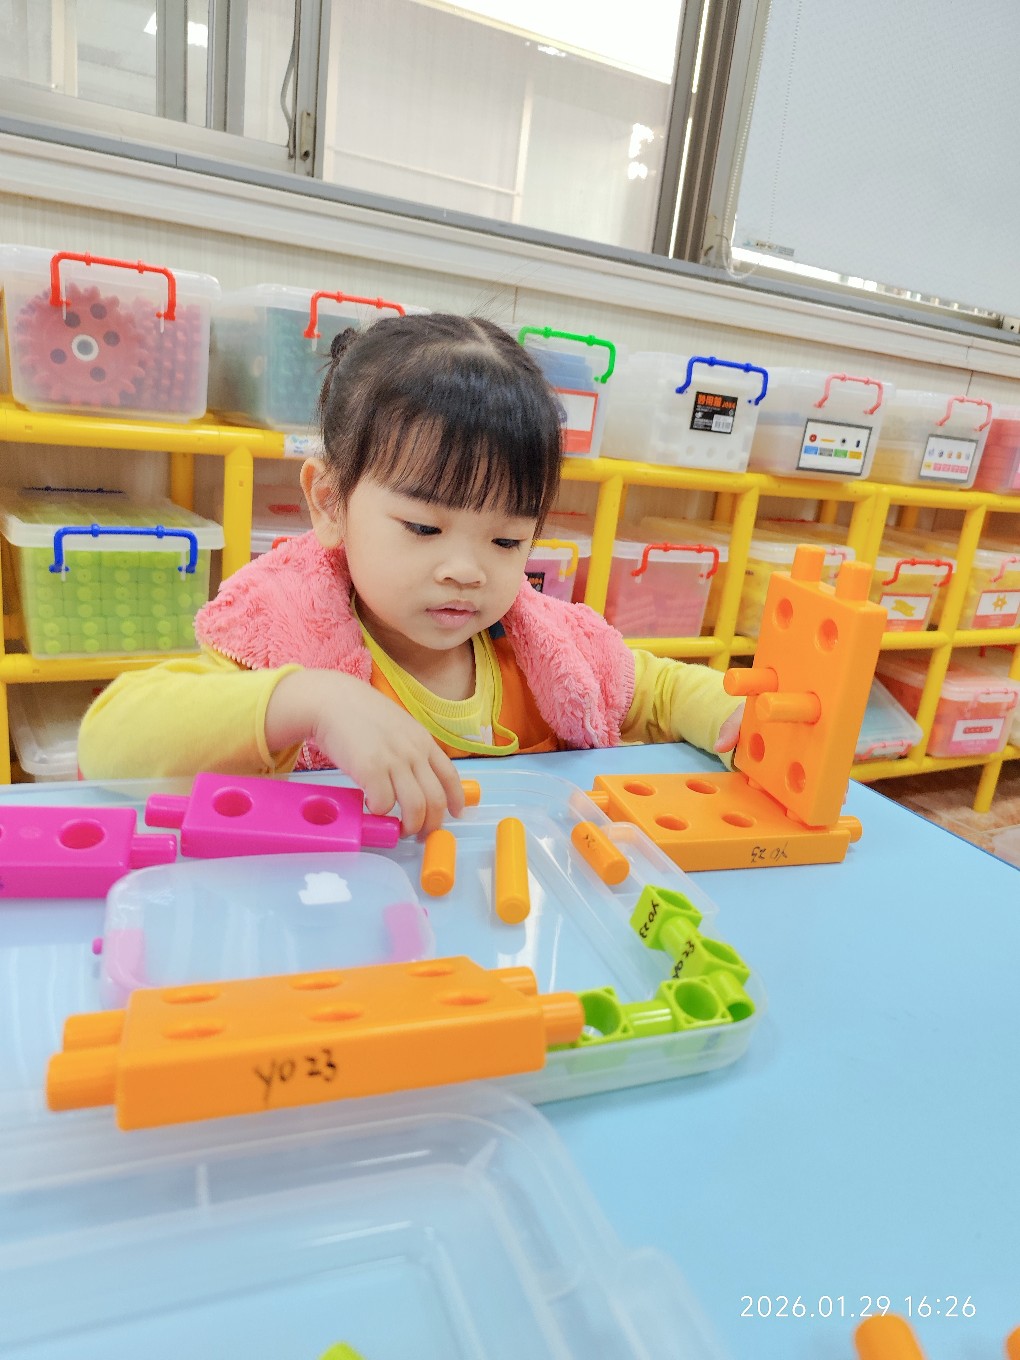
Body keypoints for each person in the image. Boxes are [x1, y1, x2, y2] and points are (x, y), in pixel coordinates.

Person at [78, 313, 743, 835]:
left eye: (507, 540)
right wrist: (311, 702)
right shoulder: (284, 640)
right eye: (424, 528)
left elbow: (657, 690)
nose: (465, 571)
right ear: (330, 502)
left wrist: (736, 715)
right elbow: (110, 739)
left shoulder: (545, 650)